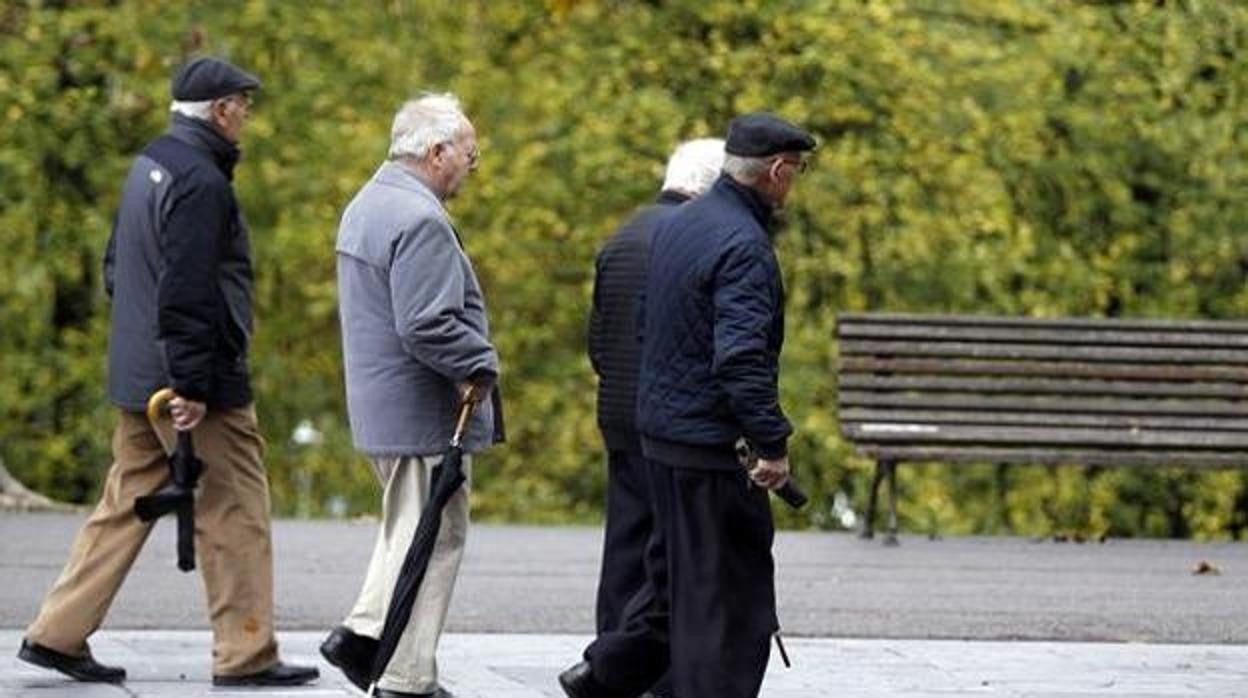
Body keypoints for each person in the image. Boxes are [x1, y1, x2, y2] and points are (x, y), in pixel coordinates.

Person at [17, 56, 319, 687]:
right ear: (220, 110)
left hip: (139, 372)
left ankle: (57, 633)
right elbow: (187, 291)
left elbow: (115, 269)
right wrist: (191, 383)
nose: (248, 116)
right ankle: (246, 653)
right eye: (244, 104)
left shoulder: (150, 164)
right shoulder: (202, 183)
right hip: (188, 382)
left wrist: (149, 359)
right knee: (235, 508)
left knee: (126, 502)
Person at [559, 113, 815, 698]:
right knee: (725, 604)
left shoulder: (680, 225)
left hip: (662, 440)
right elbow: (742, 359)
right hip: (711, 448)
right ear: (776, 171)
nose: (794, 184)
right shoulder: (745, 246)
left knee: (674, 578)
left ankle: (607, 672)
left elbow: (646, 329)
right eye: (795, 172)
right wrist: (771, 443)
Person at [321, 93, 503, 698]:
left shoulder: (367, 204)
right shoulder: (419, 218)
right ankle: (399, 669)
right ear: (436, 151)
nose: (473, 167)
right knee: (434, 536)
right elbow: (426, 323)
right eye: (469, 155)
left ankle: (371, 641)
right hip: (422, 410)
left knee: (407, 529)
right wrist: (481, 363)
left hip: (385, 405)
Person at [586, 138, 724, 698]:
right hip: (670, 422)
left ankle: (609, 658)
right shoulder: (692, 241)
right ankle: (648, 668)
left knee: (625, 544)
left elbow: (598, 338)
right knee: (672, 551)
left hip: (617, 411)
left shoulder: (622, 237)